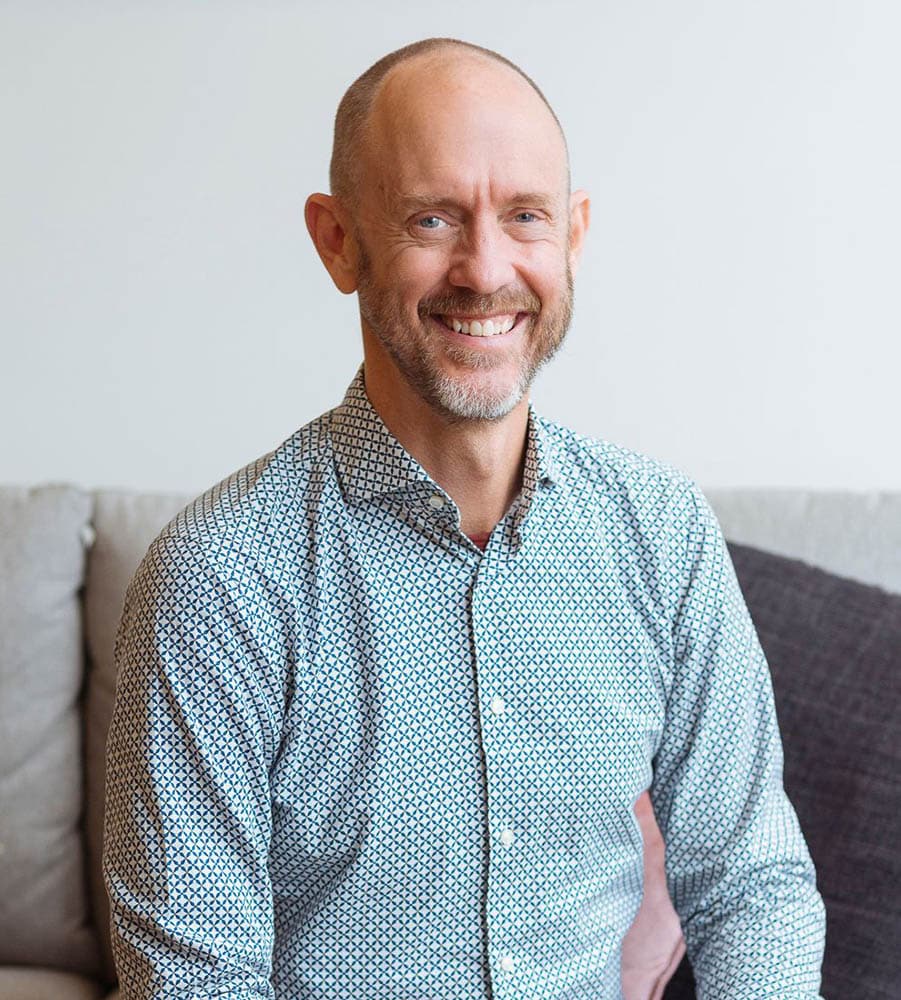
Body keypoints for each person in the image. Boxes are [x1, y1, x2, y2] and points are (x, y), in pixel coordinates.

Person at [103, 37, 826, 999]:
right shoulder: (218, 578)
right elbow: (196, 980)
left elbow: (749, 884)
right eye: (432, 218)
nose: (485, 270)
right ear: (338, 240)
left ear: (571, 235)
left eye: (523, 216)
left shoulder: (661, 531)